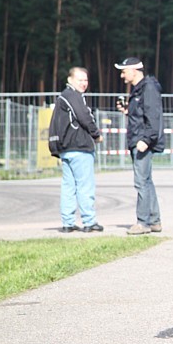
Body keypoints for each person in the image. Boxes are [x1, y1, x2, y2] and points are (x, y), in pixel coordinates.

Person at [49, 67, 104, 233]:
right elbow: (84, 117)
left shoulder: (62, 97)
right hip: (79, 147)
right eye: (80, 80)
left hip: (66, 149)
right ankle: (89, 221)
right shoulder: (73, 96)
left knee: (68, 187)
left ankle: (67, 222)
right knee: (85, 186)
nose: (84, 83)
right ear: (70, 80)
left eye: (86, 80)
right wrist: (96, 134)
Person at [114, 57, 165, 235]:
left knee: (141, 182)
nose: (122, 75)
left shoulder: (148, 87)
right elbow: (142, 114)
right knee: (147, 182)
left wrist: (146, 139)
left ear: (133, 71)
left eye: (123, 71)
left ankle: (143, 223)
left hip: (142, 141)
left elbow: (153, 115)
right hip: (138, 139)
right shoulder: (139, 89)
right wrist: (128, 111)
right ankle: (154, 221)